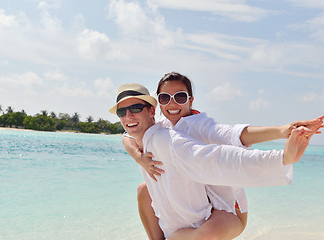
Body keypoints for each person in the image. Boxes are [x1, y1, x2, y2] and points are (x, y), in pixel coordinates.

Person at [121, 73, 324, 240]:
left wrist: (283, 131)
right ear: (158, 103)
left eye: (180, 97)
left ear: (191, 100)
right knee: (144, 190)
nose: (172, 104)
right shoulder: (161, 126)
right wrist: (138, 157)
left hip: (226, 210)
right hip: (198, 206)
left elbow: (235, 135)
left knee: (205, 235)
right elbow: (128, 136)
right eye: (165, 98)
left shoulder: (202, 126)